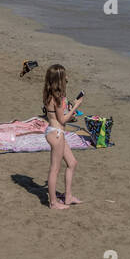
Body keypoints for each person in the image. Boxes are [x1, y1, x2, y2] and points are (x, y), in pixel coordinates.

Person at [42, 64, 83, 209]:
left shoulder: (49, 94)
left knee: (72, 163)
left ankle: (68, 196)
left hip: (55, 132)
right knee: (55, 169)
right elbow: (63, 120)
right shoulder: (58, 98)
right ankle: (53, 202)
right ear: (60, 79)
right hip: (56, 134)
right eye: (65, 76)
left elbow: (59, 115)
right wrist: (76, 106)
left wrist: (68, 108)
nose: (67, 78)